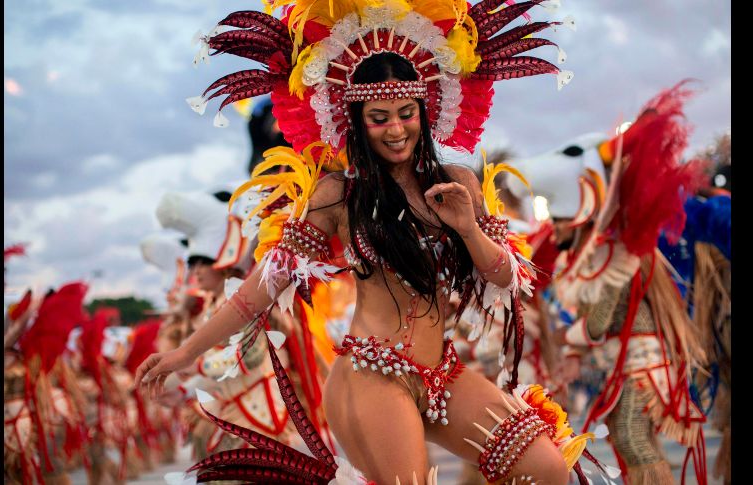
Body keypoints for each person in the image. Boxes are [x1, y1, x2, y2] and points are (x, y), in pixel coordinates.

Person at [136, 0, 600, 483]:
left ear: (425, 110)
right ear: (357, 121)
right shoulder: (338, 194)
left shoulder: (458, 180)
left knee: (546, 468)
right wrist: (186, 352)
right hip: (371, 376)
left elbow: (506, 277)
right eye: (379, 117)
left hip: (443, 375)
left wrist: (467, 227)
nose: (396, 129)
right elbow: (263, 285)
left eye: (406, 113)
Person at [506, 82, 710, 484]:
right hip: (626, 362)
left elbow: (601, 320)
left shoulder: (616, 253)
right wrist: (572, 354)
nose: (555, 227)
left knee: (634, 438)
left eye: (561, 219)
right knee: (625, 436)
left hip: (643, 365)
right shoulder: (587, 255)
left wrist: (569, 340)